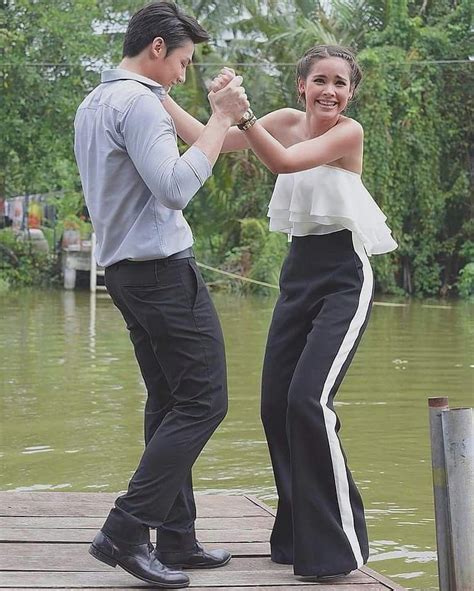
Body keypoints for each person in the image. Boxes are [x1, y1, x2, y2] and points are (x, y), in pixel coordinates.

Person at [164, 45, 397, 582]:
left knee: (308, 401)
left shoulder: (349, 133)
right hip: (297, 278)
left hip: (344, 279)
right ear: (302, 86)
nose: (330, 91)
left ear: (351, 93)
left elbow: (285, 162)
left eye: (340, 83)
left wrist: (243, 114)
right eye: (321, 80)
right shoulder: (285, 121)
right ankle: (297, 537)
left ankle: (340, 547)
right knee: (275, 406)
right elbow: (210, 139)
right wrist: (166, 96)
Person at [74, 2, 249, 588]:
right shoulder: (140, 103)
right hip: (161, 275)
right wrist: (221, 117)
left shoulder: (96, 102)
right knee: (205, 402)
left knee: (170, 401)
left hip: (126, 275)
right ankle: (126, 530)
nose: (183, 73)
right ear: (157, 48)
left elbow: (197, 153)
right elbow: (175, 188)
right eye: (183, 61)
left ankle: (176, 537)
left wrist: (222, 118)